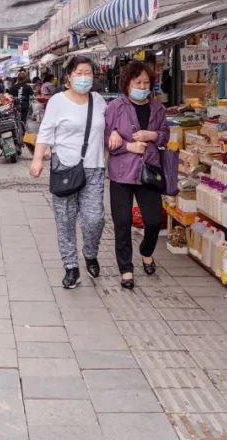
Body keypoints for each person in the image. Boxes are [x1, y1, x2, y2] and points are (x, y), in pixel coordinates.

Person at [30, 56, 107, 289]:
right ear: (69, 77)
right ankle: (71, 266)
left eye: (88, 73)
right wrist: (37, 159)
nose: (84, 77)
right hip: (64, 166)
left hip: (94, 167)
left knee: (95, 218)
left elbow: (110, 128)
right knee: (65, 220)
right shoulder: (57, 101)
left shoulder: (99, 101)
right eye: (79, 73)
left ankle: (90, 253)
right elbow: (45, 131)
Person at [104, 61, 171, 289]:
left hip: (149, 171)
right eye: (137, 82)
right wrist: (126, 145)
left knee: (153, 220)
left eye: (146, 83)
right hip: (121, 172)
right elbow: (105, 138)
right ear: (127, 84)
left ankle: (146, 251)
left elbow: (165, 135)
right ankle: (126, 269)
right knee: (122, 222)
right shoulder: (115, 107)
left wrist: (152, 135)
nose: (142, 86)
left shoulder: (158, 108)